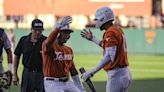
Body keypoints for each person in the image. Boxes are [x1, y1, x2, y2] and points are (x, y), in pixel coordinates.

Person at [80, 7, 132, 92]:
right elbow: (106, 46)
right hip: (123, 73)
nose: (96, 21)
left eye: (97, 19)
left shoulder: (110, 32)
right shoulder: (116, 29)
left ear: (103, 18)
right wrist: (93, 38)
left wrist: (91, 72)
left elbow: (109, 56)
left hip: (116, 74)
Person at [42, 16, 85, 92]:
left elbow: (73, 71)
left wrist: (81, 88)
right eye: (65, 32)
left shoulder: (68, 50)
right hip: (52, 82)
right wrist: (59, 26)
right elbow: (48, 42)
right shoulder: (49, 46)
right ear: (58, 34)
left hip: (66, 82)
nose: (67, 35)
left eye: (68, 33)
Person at [12, 19, 47, 92]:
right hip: (27, 73)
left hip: (42, 74)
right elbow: (16, 56)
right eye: (35, 30)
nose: (37, 32)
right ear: (31, 29)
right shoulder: (24, 40)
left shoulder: (46, 41)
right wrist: (14, 74)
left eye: (40, 30)